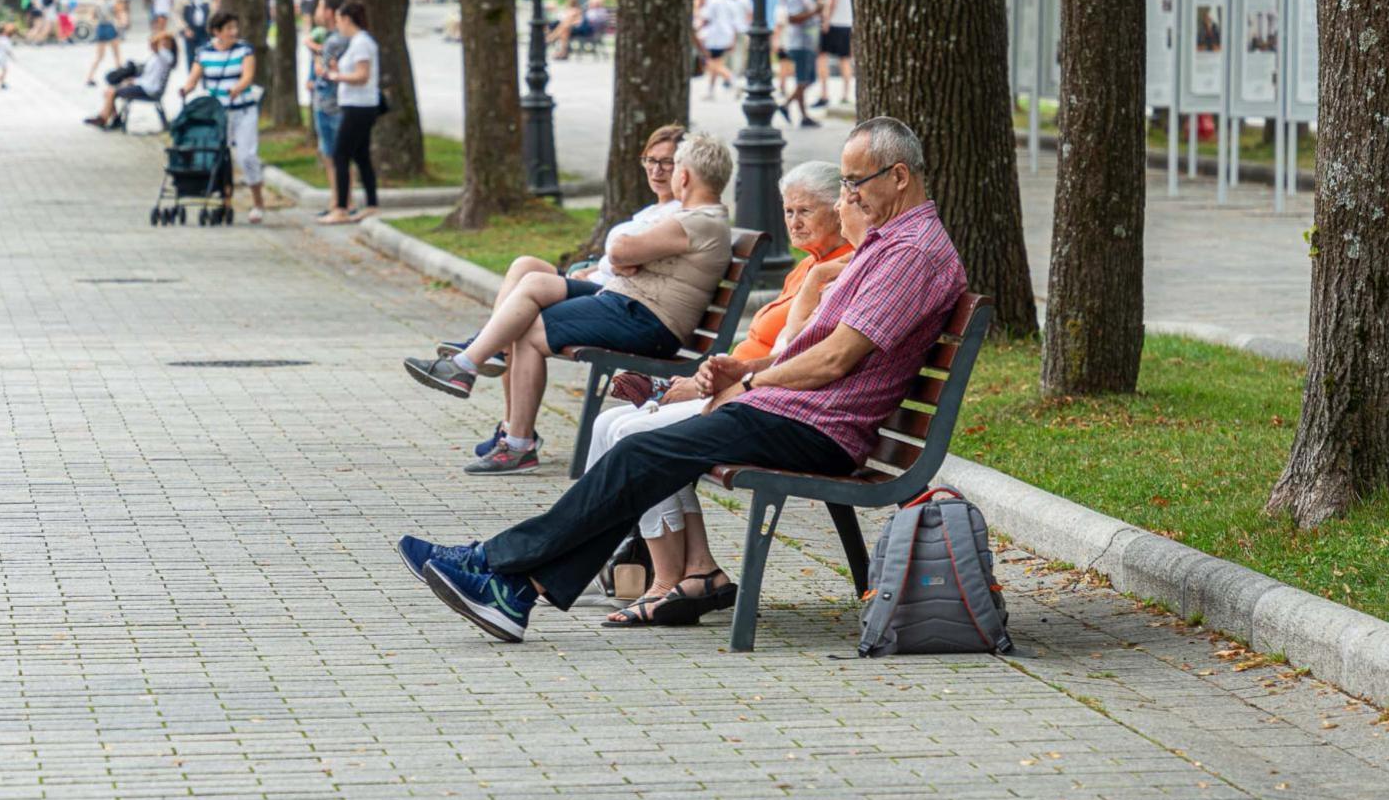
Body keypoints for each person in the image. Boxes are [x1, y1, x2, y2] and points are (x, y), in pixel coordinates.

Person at [398, 117, 964, 642]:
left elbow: (835, 360)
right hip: (795, 410)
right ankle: (511, 586)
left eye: (855, 181)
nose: (849, 194)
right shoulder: (889, 243)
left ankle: (498, 570)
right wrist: (747, 368)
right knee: (643, 455)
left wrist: (747, 386)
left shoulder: (911, 253)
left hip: (817, 426)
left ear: (898, 176)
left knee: (641, 454)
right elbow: (818, 348)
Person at [588, 161, 860, 626]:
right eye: (788, 210)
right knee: (609, 423)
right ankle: (671, 565)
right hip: (739, 389)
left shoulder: (836, 272)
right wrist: (701, 381)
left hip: (767, 404)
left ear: (838, 210)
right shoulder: (807, 267)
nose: (793, 221)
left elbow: (791, 357)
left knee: (636, 434)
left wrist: (711, 384)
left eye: (805, 211)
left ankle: (664, 578)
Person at [403, 132, 734, 476]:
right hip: (630, 306)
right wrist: (626, 254)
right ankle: (469, 368)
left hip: (645, 319)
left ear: (684, 176)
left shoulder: (696, 221)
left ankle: (507, 428)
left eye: (674, 165)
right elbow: (622, 256)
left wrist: (625, 251)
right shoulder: (699, 219)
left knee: (529, 329)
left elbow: (620, 250)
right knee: (532, 288)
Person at [443, 123, 688, 464]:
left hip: (621, 301)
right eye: (651, 160)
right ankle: (506, 407)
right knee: (524, 265)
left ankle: (488, 365)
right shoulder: (652, 212)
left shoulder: (678, 216)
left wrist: (603, 268)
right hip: (605, 286)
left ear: (686, 169)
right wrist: (590, 269)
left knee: (525, 307)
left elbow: (631, 267)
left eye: (668, 163)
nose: (657, 170)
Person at [177, 10, 267, 224]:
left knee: (246, 156)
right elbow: (193, 78)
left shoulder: (244, 50)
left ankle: (258, 202)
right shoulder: (204, 52)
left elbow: (248, 76)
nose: (233, 32)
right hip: (217, 113)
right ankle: (225, 201)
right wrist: (186, 90)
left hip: (243, 109)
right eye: (228, 29)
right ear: (216, 32)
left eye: (235, 28)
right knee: (218, 157)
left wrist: (237, 88)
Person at [314, 1, 380, 225]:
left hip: (359, 106)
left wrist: (336, 77)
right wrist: (337, 69)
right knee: (361, 155)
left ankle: (341, 207)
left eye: (340, 20)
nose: (338, 25)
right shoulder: (356, 43)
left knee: (341, 155)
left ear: (347, 20)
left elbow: (362, 75)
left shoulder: (362, 43)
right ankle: (371, 203)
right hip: (354, 103)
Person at [305, 0, 347, 214]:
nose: (317, 12)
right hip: (325, 101)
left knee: (337, 154)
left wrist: (315, 56)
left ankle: (343, 202)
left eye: (320, 7)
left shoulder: (336, 39)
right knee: (329, 154)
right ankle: (337, 200)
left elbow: (324, 69)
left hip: (333, 103)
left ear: (330, 12)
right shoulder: (328, 38)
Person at [87, 29, 177, 129]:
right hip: (145, 86)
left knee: (111, 91)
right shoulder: (157, 56)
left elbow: (150, 81)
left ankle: (104, 119)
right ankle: (110, 117)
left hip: (149, 90)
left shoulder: (165, 56)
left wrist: (133, 82)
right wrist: (132, 81)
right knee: (109, 91)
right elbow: (147, 77)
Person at [774, 0, 823, 128]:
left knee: (805, 80)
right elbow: (793, 18)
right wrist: (814, 12)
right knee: (805, 79)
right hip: (799, 42)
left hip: (807, 41)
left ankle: (802, 114)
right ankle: (787, 105)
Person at [818, 0, 854, 108]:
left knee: (821, 56)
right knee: (845, 58)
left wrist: (826, 20)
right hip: (848, 22)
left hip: (834, 22)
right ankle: (846, 93)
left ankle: (824, 93)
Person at [696, 0, 739, 97]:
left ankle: (731, 79)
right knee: (717, 61)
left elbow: (706, 17)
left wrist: (698, 30)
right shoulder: (732, 1)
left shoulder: (713, 0)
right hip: (727, 36)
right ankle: (711, 90)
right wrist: (733, 40)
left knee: (711, 62)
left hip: (713, 36)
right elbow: (735, 23)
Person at [86, 0, 125, 84]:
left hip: (100, 27)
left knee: (99, 56)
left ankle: (90, 77)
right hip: (110, 27)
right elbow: (119, 15)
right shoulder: (113, 2)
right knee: (116, 55)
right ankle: (121, 78)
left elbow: (92, 16)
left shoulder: (98, 3)